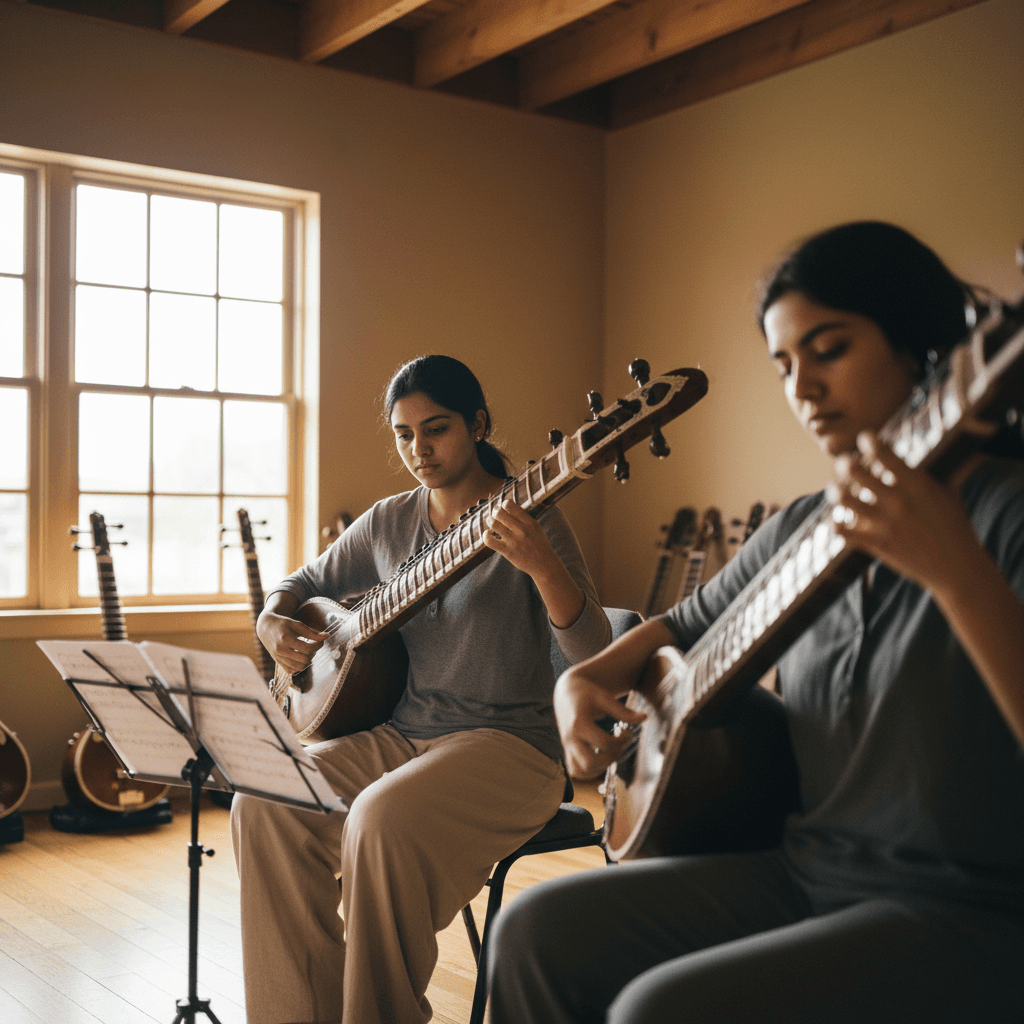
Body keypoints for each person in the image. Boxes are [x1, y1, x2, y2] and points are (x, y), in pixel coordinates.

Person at [486, 222, 1024, 1023]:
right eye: (784, 364)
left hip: (972, 911)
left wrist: (959, 576)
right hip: (805, 872)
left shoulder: (1007, 512)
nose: (803, 387)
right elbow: (677, 628)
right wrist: (580, 682)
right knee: (534, 931)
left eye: (829, 350)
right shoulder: (803, 527)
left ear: (918, 345)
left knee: (660, 1010)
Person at [231, 354, 611, 1024]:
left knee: (380, 819)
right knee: (264, 798)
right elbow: (302, 583)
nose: (418, 450)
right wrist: (271, 619)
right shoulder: (389, 522)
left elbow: (593, 656)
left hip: (512, 748)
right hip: (403, 736)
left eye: (435, 429)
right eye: (404, 435)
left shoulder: (534, 515)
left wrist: (544, 568)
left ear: (478, 424)